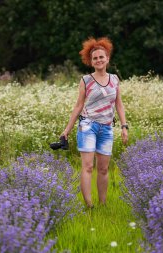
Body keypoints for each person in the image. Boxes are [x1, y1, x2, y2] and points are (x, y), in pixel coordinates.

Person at [61, 37, 128, 208]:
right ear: (90, 61)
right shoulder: (86, 80)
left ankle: (103, 205)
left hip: (107, 128)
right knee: (88, 166)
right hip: (87, 126)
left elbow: (119, 104)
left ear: (107, 59)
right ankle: (89, 206)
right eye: (95, 58)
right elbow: (78, 106)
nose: (98, 60)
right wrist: (66, 130)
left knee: (104, 169)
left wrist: (124, 126)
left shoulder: (114, 79)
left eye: (101, 57)